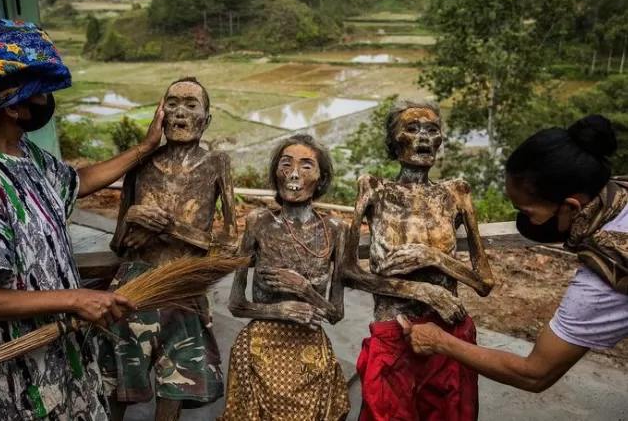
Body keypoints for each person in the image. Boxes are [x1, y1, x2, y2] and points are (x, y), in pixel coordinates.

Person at [0, 19, 163, 420]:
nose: (47, 103)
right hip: (16, 373)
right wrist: (76, 298)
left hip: (58, 353)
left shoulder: (28, 156)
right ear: (12, 106)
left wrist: (144, 149)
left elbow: (78, 181)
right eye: (40, 94)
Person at [400, 114, 628, 394]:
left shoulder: (606, 277)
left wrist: (440, 342)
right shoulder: (619, 192)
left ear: (572, 207)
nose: (524, 220)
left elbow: (535, 374)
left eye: (528, 213)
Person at [342, 100, 493, 421]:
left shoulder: (456, 192)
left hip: (449, 334)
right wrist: (423, 291)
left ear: (440, 140)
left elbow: (484, 281)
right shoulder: (374, 188)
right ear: (394, 139)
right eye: (412, 129)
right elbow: (347, 271)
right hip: (394, 333)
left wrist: (432, 257)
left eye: (432, 130)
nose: (423, 138)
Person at [99, 78, 238, 421]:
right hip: (134, 284)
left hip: (181, 285)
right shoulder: (141, 164)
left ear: (206, 119)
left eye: (191, 105)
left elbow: (231, 241)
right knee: (118, 378)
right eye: (172, 103)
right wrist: (133, 216)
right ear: (160, 114)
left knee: (175, 382)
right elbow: (119, 243)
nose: (180, 113)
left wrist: (168, 228)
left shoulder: (216, 164)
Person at [220, 134, 350, 421]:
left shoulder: (336, 229)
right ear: (276, 173)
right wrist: (278, 310)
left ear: (321, 178)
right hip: (259, 349)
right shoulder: (259, 222)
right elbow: (236, 304)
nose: (293, 173)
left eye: (306, 166)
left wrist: (306, 291)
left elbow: (335, 314)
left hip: (309, 353)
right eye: (286, 164)